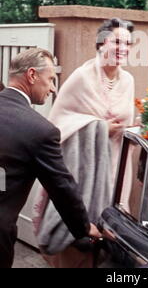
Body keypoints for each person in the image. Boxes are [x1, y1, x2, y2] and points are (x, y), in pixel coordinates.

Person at [34, 18, 135, 268]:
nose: (123, 48)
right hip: (81, 168)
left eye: (128, 43)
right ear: (102, 43)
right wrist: (99, 128)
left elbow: (127, 125)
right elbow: (57, 125)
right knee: (77, 239)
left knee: (107, 238)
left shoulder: (128, 81)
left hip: (114, 168)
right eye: (117, 42)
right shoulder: (82, 77)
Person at [0, 48, 101, 269]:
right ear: (32, 75)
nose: (53, 88)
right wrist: (84, 227)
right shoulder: (40, 130)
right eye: (51, 79)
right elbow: (62, 187)